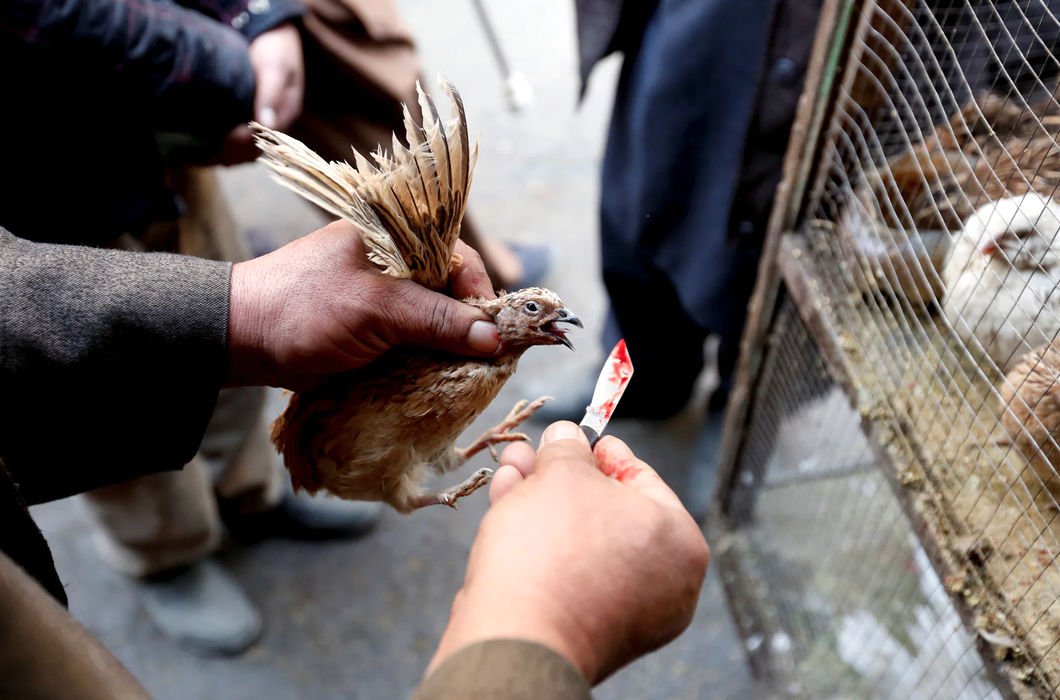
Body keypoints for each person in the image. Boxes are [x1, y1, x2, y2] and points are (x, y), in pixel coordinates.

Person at [0, 0, 545, 654]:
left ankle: (250, 493)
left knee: (223, 338)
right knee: (94, 361)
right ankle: (166, 552)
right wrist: (224, 73)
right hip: (33, 186)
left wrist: (256, 14)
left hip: (167, 145)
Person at [0, 224, 709, 698]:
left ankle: (252, 500)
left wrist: (237, 310)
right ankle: (169, 556)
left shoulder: (483, 363)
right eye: (537, 314)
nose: (555, 326)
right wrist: (545, 619)